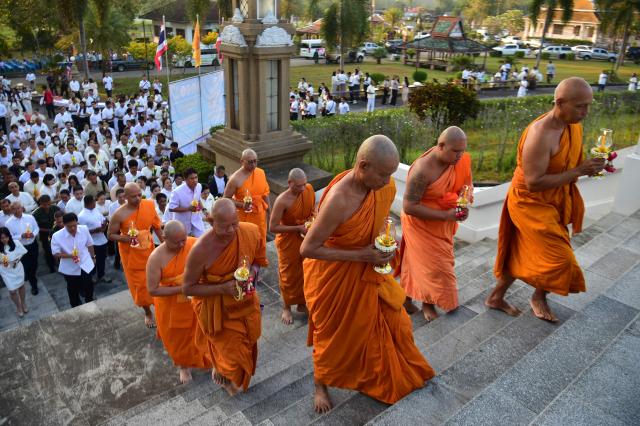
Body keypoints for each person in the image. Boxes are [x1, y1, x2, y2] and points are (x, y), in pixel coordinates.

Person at [300, 135, 435, 412]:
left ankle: (374, 373)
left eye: (390, 174)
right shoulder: (339, 199)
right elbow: (308, 248)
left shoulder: (380, 188)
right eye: (383, 174)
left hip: (369, 270)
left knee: (394, 322)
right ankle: (320, 383)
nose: (388, 182)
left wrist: (385, 241)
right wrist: (362, 254)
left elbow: (378, 221)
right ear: (363, 165)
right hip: (334, 278)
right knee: (332, 337)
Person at [487, 77, 606, 322]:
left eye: (588, 106)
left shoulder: (572, 125)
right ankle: (535, 295)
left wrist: (590, 167)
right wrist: (578, 172)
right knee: (561, 259)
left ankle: (508, 297)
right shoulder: (540, 134)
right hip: (529, 202)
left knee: (518, 250)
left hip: (556, 199)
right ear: (560, 102)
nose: (585, 113)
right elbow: (533, 182)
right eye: (580, 106)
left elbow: (569, 163)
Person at [182, 199, 268, 396]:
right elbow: (188, 288)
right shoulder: (201, 250)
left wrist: (253, 274)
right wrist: (223, 288)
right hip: (217, 309)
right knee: (232, 353)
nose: (231, 230)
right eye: (225, 226)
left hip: (245, 303)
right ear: (212, 222)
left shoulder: (249, 231)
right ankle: (223, 372)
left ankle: (223, 369)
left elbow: (257, 261)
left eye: (234, 223)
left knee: (247, 343)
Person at [399, 127, 473, 321]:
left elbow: (466, 186)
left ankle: (406, 298)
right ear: (441, 146)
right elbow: (409, 206)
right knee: (435, 267)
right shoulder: (423, 170)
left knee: (418, 262)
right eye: (455, 151)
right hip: (420, 224)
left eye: (462, 150)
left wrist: (462, 203)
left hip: (443, 223)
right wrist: (446, 215)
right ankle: (428, 302)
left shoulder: (461, 160)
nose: (460, 156)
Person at [146, 220, 212, 384]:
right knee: (177, 338)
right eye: (178, 242)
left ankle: (207, 357)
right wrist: (183, 289)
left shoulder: (192, 243)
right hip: (171, 303)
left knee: (203, 330)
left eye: (184, 238)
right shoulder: (155, 258)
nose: (183, 244)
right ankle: (183, 366)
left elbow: (208, 262)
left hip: (195, 299)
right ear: (164, 237)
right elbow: (153, 290)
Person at [107, 183, 163, 327]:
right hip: (130, 253)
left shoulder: (149, 205)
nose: (138, 198)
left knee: (157, 278)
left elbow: (157, 226)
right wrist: (126, 238)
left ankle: (160, 305)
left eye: (139, 195)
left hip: (148, 248)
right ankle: (147, 311)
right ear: (124, 197)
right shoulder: (119, 214)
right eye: (133, 196)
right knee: (139, 285)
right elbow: (110, 235)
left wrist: (164, 244)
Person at [269, 168, 314, 325]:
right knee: (288, 274)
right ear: (290, 183)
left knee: (305, 271)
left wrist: (311, 221)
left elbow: (311, 210)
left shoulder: (308, 190)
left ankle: (302, 303)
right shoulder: (282, 200)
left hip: (304, 237)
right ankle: (287, 307)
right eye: (298, 186)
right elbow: (273, 227)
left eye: (304, 184)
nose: (302, 189)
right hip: (288, 240)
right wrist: (297, 228)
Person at [224, 149, 271, 244]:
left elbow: (265, 194)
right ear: (242, 161)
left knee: (261, 240)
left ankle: (260, 258)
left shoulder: (260, 172)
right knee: (248, 241)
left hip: (260, 215)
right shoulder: (235, 179)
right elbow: (226, 199)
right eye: (250, 162)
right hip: (245, 216)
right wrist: (242, 205)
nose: (253, 165)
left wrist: (270, 211)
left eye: (255, 161)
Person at [51, 213, 96, 307]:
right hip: (70, 267)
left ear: (77, 222)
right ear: (64, 224)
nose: (72, 228)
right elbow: (55, 254)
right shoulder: (57, 236)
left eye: (74, 225)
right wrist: (70, 255)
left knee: (89, 284)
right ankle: (75, 305)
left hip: (85, 262)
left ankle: (90, 301)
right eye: (69, 227)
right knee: (72, 289)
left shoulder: (83, 229)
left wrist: (93, 257)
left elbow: (90, 244)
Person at [6, 201, 40, 294]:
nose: (17, 210)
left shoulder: (30, 217)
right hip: (21, 247)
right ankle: (34, 285)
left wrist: (34, 234)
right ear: (11, 210)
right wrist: (21, 236)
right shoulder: (9, 223)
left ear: (22, 208)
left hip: (33, 245)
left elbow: (36, 228)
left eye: (18, 208)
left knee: (34, 264)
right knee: (27, 266)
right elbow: (10, 237)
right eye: (14, 209)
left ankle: (31, 276)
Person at [78, 195, 110, 283]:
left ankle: (101, 275)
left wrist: (104, 224)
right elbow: (81, 232)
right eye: (94, 202)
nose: (95, 203)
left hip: (102, 239)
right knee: (93, 260)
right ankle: (92, 276)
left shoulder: (95, 210)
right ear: (90, 203)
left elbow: (102, 219)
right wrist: (95, 230)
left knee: (102, 259)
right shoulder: (81, 216)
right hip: (92, 243)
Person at [0, 227, 28, 317]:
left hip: (18, 268)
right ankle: (18, 306)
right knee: (12, 290)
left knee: (21, 286)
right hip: (6, 271)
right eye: (2, 238)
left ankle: (23, 303)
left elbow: (22, 253)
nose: (4, 239)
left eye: (6, 237)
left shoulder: (16, 243)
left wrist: (16, 260)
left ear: (9, 236)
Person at [168, 168, 205, 237]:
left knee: (202, 239)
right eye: (192, 178)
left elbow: (198, 199)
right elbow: (171, 208)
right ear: (185, 179)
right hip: (182, 223)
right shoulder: (177, 191)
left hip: (196, 220)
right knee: (184, 245)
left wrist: (204, 210)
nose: (195, 180)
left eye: (196, 177)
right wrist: (188, 209)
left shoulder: (199, 186)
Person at [32, 195, 59, 273]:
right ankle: (51, 267)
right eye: (44, 205)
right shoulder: (36, 213)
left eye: (48, 204)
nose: (46, 206)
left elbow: (62, 216)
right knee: (48, 251)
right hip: (45, 235)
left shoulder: (55, 208)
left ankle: (58, 263)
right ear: (40, 204)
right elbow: (35, 227)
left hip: (57, 233)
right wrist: (48, 230)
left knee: (58, 249)